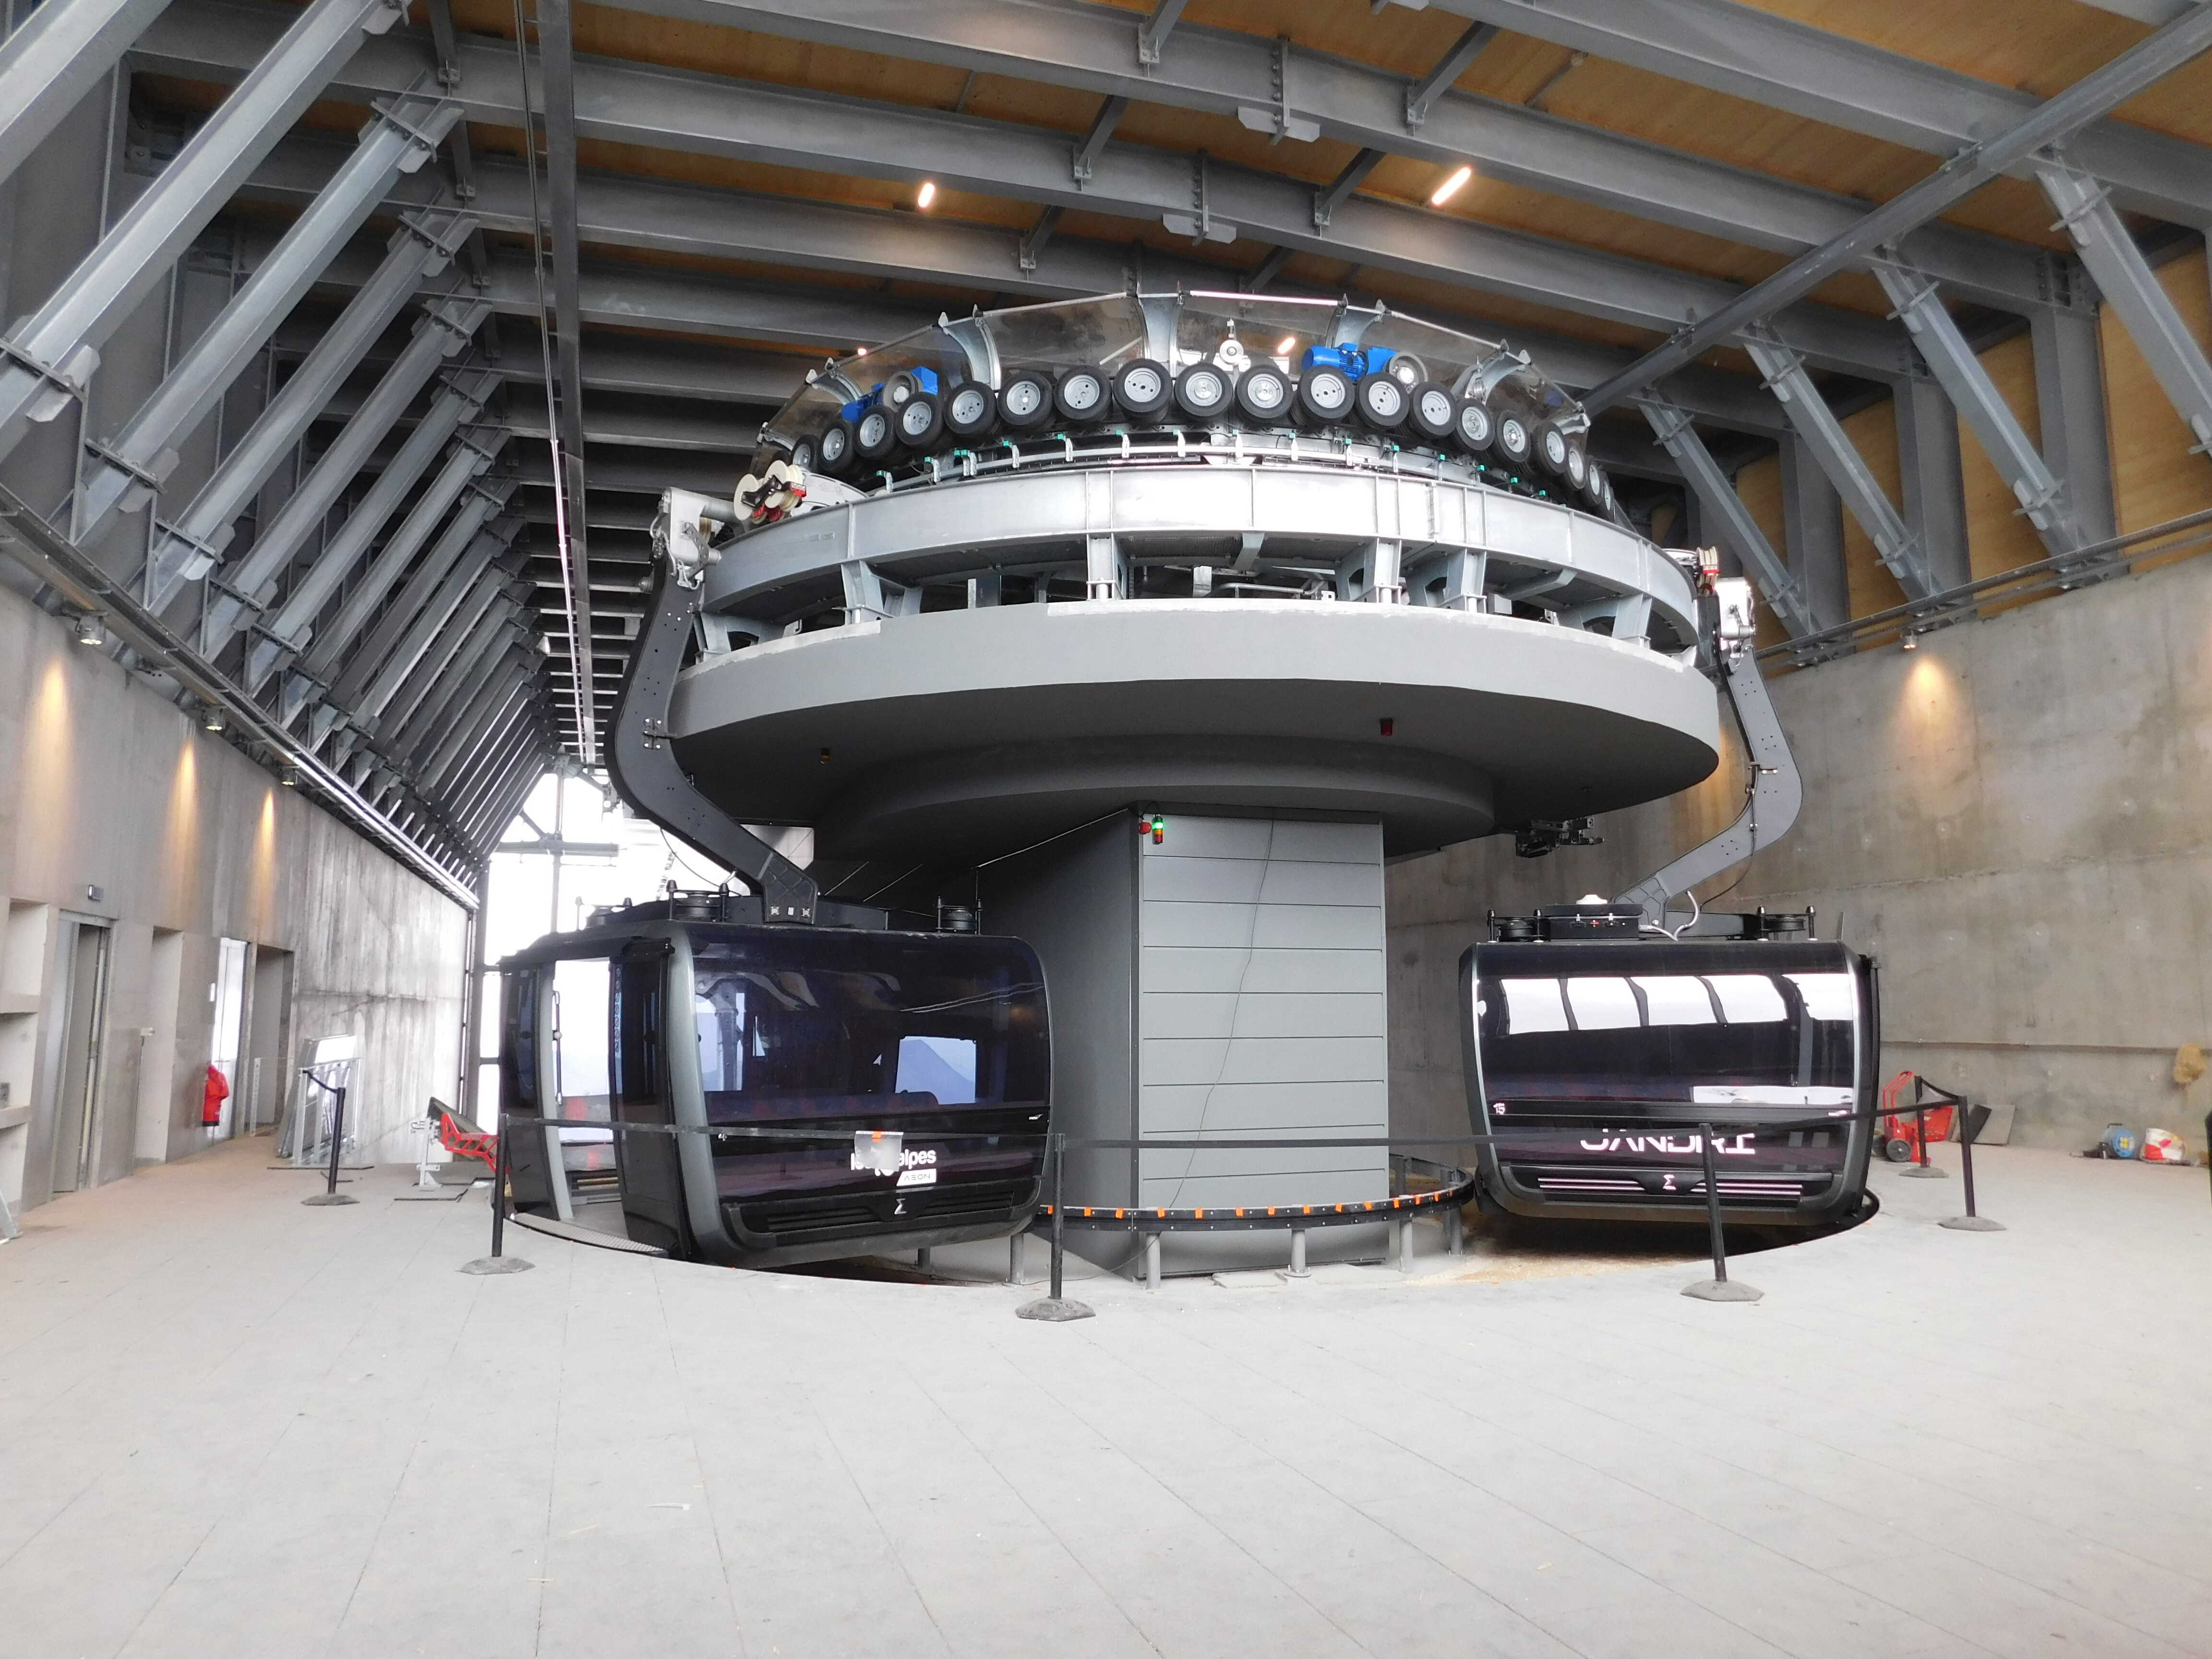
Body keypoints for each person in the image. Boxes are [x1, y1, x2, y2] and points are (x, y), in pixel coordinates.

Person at [201, 1063, 229, 1127]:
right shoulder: (220, 1077)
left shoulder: (214, 1078)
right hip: (214, 1109)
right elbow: (225, 1093)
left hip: (208, 1111)